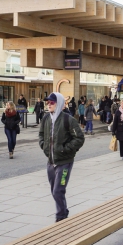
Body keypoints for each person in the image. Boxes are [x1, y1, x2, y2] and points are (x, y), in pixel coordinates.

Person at [39, 92, 85, 222]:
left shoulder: (68, 119)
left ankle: (61, 216)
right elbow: (41, 135)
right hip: (51, 161)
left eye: (52, 102)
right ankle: (63, 212)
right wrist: (44, 146)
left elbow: (79, 138)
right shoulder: (46, 119)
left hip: (64, 162)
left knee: (58, 191)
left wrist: (66, 150)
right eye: (48, 102)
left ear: (58, 104)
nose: (49, 104)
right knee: (54, 190)